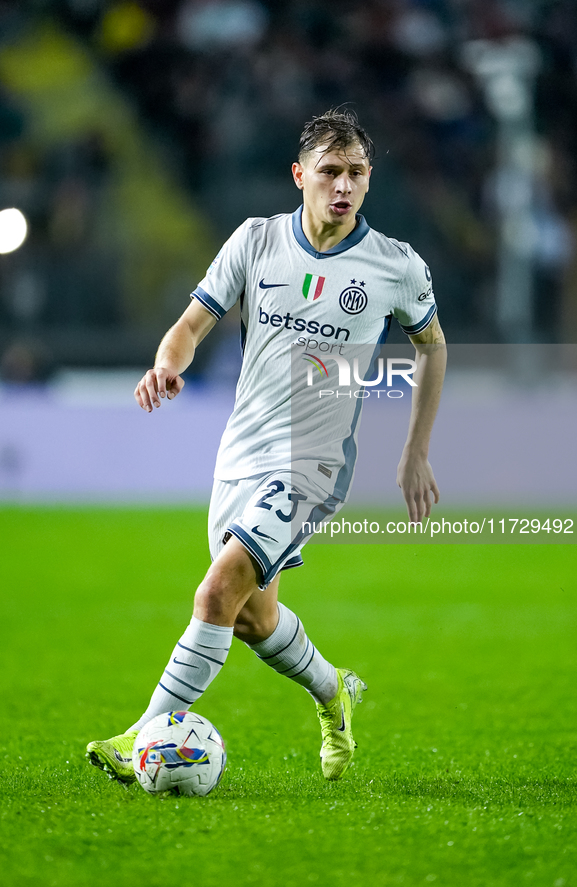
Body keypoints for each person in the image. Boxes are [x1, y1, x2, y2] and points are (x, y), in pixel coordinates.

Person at [86, 109, 446, 784]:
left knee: (217, 589)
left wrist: (414, 450)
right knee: (254, 620)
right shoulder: (255, 241)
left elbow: (432, 348)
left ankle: (141, 735)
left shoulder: (394, 266)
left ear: (369, 181)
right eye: (330, 171)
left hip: (310, 465)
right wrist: (168, 362)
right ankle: (332, 690)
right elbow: (191, 324)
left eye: (357, 173)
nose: (343, 185)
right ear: (299, 175)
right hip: (239, 455)